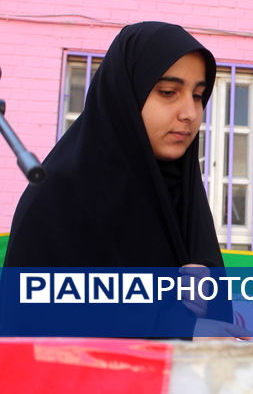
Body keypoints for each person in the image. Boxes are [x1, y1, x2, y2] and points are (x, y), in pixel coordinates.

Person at [4, 21, 222, 269]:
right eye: (168, 92)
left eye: (197, 96)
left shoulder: (182, 193)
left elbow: (213, 298)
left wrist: (207, 298)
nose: (190, 113)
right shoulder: (59, 198)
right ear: (124, 96)